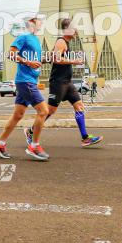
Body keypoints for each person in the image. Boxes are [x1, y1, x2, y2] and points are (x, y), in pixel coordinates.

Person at [25, 18, 102, 147]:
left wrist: (42, 59)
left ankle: (85, 137)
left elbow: (52, 56)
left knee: (79, 107)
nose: (76, 30)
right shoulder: (61, 41)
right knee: (50, 111)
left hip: (67, 82)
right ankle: (30, 131)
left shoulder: (64, 42)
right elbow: (57, 59)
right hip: (58, 83)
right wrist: (74, 61)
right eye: (74, 28)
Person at [0, 15, 50, 161]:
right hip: (25, 81)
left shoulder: (36, 40)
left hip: (30, 81)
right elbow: (11, 54)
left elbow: (36, 60)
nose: (41, 23)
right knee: (43, 111)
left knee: (18, 115)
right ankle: (34, 146)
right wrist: (29, 63)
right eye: (38, 21)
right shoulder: (24, 37)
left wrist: (47, 59)